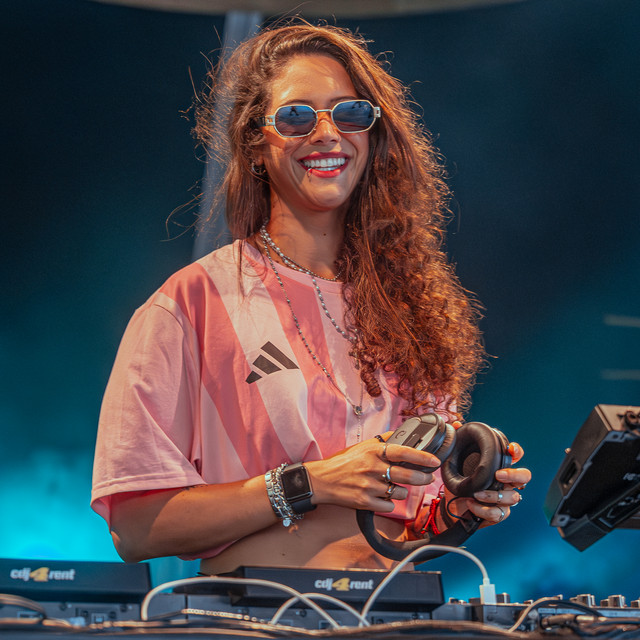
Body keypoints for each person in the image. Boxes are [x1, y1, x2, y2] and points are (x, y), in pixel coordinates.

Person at [91, 22, 531, 575]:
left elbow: (404, 528)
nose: (327, 133)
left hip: (395, 610)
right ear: (255, 144)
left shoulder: (410, 309)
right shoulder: (190, 304)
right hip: (251, 613)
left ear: (372, 136)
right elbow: (135, 529)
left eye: (350, 114)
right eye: (297, 117)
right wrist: (310, 483)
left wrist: (453, 513)